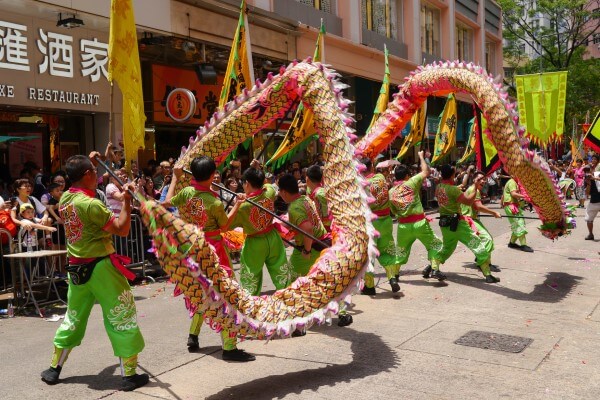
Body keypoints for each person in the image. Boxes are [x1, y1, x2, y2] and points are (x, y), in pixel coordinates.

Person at [41, 153, 148, 391]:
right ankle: (129, 375)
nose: (98, 176)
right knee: (122, 315)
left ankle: (54, 368)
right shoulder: (90, 204)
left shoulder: (67, 198)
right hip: (101, 268)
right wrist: (128, 201)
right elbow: (121, 229)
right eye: (94, 171)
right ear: (87, 175)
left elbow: (80, 172)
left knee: (73, 317)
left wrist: (98, 157)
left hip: (76, 269)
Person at [163, 156, 255, 362]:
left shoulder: (186, 193)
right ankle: (229, 347)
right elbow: (224, 227)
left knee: (202, 294)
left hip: (192, 251)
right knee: (225, 296)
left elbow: (166, 203)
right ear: (213, 175)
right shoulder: (214, 202)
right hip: (214, 253)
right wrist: (237, 204)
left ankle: (193, 336)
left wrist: (175, 179)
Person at [227, 164, 289, 295]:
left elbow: (226, 224)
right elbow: (266, 185)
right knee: (281, 272)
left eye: (243, 183)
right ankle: (287, 297)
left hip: (254, 242)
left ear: (247, 183)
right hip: (273, 238)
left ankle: (251, 304)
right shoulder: (270, 191)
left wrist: (238, 203)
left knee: (251, 275)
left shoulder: (243, 207)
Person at [433, 164, 500, 283]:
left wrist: (467, 175)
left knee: (447, 248)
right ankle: (488, 275)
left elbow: (459, 188)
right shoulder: (453, 190)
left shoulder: (439, 187)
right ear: (452, 175)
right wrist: (474, 187)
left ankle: (434, 268)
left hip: (445, 224)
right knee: (477, 245)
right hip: (458, 224)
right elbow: (469, 202)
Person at [389, 151, 443, 291]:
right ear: (407, 175)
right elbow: (426, 171)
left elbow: (393, 212)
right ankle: (435, 269)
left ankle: (394, 275)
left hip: (403, 226)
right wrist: (420, 156)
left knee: (400, 252)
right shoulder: (411, 182)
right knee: (435, 245)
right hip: (419, 223)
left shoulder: (391, 192)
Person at [359, 157, 399, 295]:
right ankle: (392, 277)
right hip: (386, 220)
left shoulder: (361, 184)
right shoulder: (381, 177)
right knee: (387, 251)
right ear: (371, 167)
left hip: (371, 223)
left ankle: (369, 286)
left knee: (369, 255)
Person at [460, 170, 502, 273]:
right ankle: (482, 262)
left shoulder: (474, 189)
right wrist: (494, 213)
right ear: (474, 180)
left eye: (484, 179)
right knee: (487, 239)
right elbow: (478, 206)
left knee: (487, 239)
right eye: (479, 179)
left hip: (470, 219)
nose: (483, 181)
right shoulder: (475, 190)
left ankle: (484, 260)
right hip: (468, 220)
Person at [502, 176, 533, 252]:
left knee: (516, 225)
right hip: (511, 206)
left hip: (512, 205)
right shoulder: (512, 182)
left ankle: (512, 243)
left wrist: (522, 205)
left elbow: (504, 196)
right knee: (520, 224)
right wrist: (526, 196)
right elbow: (513, 194)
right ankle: (523, 245)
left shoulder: (514, 182)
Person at [305, 165, 331, 231]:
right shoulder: (319, 192)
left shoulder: (319, 194)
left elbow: (325, 217)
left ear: (307, 179)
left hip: (328, 229)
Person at [585, 155, 600, 240]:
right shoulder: (587, 177)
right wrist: (588, 183)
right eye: (588, 169)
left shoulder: (598, 173)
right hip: (594, 201)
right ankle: (590, 234)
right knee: (589, 219)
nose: (590, 170)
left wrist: (594, 178)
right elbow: (587, 193)